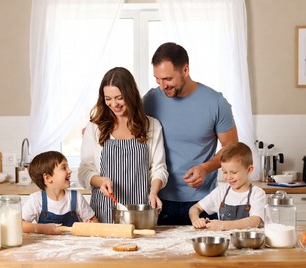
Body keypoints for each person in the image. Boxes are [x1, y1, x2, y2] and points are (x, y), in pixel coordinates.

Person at [143, 42, 239, 225]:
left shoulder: (216, 102)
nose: (162, 86)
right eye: (157, 79)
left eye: (168, 79)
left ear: (185, 70)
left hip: (204, 202)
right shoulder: (150, 100)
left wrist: (205, 168)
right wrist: (99, 127)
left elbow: (232, 149)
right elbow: (125, 126)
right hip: (160, 200)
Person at [78, 67, 168, 223]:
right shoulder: (94, 128)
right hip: (103, 212)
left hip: (139, 212)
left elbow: (158, 168)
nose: (114, 104)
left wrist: (153, 192)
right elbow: (85, 170)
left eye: (119, 98)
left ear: (130, 94)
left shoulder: (151, 125)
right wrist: (101, 181)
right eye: (108, 99)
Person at [189, 142, 266, 230]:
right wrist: (196, 220)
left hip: (247, 243)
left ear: (249, 170)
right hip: (225, 242)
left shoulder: (257, 194)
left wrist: (222, 225)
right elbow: (195, 208)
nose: (228, 177)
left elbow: (255, 221)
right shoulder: (221, 191)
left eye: (233, 172)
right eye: (225, 172)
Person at [22, 151, 99, 235]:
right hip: (46, 246)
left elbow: (94, 221)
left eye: (68, 166)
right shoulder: (36, 199)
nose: (69, 171)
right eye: (63, 168)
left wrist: (89, 225)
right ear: (47, 178)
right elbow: (20, 224)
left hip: (73, 245)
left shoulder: (76, 197)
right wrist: (42, 228)